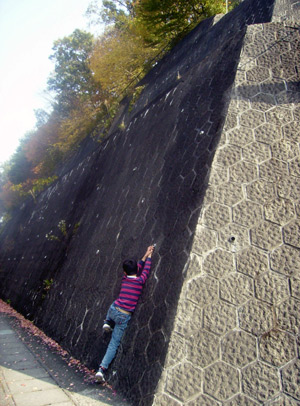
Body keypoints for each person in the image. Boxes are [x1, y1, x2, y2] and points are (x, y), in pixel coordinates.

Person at [95, 245, 155, 382]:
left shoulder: (125, 279)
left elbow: (137, 267)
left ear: (124, 272)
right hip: (123, 315)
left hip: (114, 309)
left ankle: (107, 322)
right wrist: (149, 257)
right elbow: (145, 270)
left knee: (113, 304)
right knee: (114, 343)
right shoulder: (140, 281)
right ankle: (101, 370)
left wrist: (145, 255)